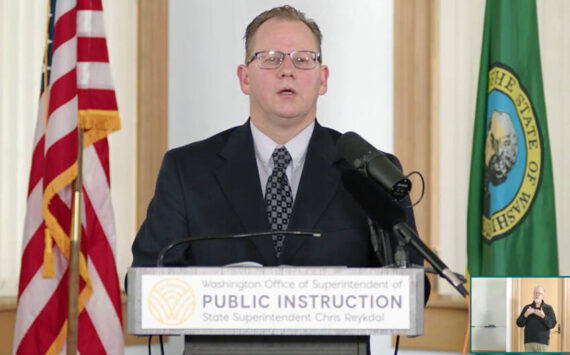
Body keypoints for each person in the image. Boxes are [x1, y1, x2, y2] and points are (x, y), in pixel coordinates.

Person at [130, 5, 425, 353]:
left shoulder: (369, 171)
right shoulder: (188, 169)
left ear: (323, 78)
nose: (287, 70)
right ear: (244, 77)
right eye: (270, 59)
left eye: (303, 59)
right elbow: (147, 279)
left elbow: (412, 287)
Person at [516, 285, 557, 352]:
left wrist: (543, 316)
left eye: (539, 293)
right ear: (533, 294)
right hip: (529, 343)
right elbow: (519, 324)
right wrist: (525, 315)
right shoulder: (527, 308)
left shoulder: (548, 308)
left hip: (543, 343)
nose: (537, 295)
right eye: (535, 293)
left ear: (543, 295)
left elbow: (552, 324)